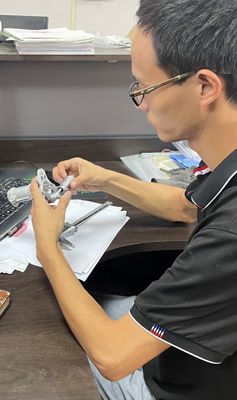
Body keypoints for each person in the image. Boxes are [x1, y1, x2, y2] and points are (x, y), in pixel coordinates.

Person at [29, 0, 237, 399]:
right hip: (199, 346)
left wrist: (47, 246)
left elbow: (113, 356)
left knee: (44, 350)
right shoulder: (228, 161)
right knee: (93, 300)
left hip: (179, 386)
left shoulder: (231, 234)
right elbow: (185, 206)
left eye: (146, 87)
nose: (141, 102)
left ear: (205, 87)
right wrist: (104, 178)